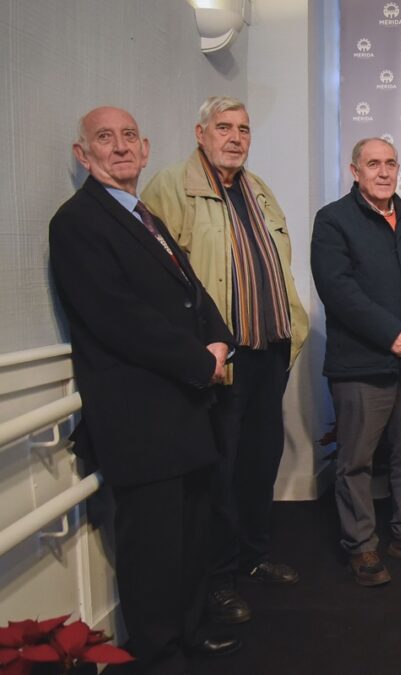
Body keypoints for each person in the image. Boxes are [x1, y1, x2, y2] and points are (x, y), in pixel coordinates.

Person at [50, 106, 239, 674]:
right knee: (153, 543)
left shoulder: (144, 215)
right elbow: (118, 316)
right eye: (105, 138)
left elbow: (195, 295)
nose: (121, 146)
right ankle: (158, 653)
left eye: (129, 136)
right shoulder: (78, 222)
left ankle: (189, 629)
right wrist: (199, 360)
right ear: (84, 155)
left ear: (147, 147)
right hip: (140, 414)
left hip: (183, 406)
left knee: (191, 531)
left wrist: (221, 341)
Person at [142, 95, 310, 624]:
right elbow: (157, 279)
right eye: (224, 127)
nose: (235, 137)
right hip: (220, 361)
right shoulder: (172, 187)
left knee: (259, 465)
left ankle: (255, 557)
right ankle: (217, 579)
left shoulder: (257, 189)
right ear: (201, 133)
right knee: (217, 473)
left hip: (269, 351)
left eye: (243, 129)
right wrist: (196, 350)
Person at [311, 137, 401, 585]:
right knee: (356, 460)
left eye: (391, 162)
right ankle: (362, 546)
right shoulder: (334, 220)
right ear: (355, 171)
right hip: (363, 364)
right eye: (373, 164)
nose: (384, 171)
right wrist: (391, 335)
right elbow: (338, 290)